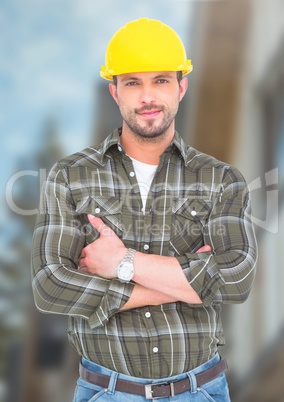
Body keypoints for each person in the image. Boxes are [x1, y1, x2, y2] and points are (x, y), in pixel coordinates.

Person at [31, 18, 258, 402]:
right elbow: (49, 285)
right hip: (106, 392)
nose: (148, 96)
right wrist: (186, 284)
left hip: (201, 391)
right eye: (133, 82)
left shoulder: (222, 179)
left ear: (181, 87)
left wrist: (124, 263)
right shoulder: (70, 176)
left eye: (161, 80)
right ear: (114, 92)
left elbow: (236, 279)